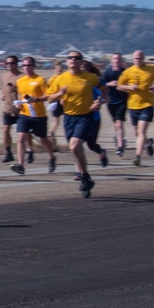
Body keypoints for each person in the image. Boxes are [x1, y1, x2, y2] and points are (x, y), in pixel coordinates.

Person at [47, 50, 105, 198]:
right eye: (70, 57)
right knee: (75, 150)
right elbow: (49, 98)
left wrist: (99, 102)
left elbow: (105, 90)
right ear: (67, 61)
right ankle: (85, 179)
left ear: (81, 62)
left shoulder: (90, 77)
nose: (73, 60)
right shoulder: (60, 79)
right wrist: (59, 94)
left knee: (74, 145)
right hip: (69, 118)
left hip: (86, 116)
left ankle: (84, 177)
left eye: (76, 58)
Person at [117, 50, 154, 166]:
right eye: (135, 58)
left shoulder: (151, 71)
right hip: (133, 105)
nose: (137, 60)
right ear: (132, 59)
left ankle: (137, 156)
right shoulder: (128, 71)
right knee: (137, 133)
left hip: (147, 105)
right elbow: (119, 86)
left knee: (141, 130)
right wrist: (129, 87)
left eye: (139, 58)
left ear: (143, 58)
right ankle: (148, 143)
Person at [10, 57, 57, 175]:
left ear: (34, 66)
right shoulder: (20, 81)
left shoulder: (40, 80)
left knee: (43, 139)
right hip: (24, 114)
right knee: (20, 139)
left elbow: (48, 96)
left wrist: (35, 99)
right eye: (24, 65)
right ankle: (21, 165)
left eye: (29, 65)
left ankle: (51, 156)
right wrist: (19, 104)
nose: (26, 67)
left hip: (38, 115)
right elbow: (21, 95)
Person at [0, 56, 29, 163]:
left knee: (25, 133)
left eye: (11, 63)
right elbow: (4, 88)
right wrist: (3, 95)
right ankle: (8, 152)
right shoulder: (4, 76)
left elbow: (25, 91)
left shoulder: (22, 76)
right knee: (5, 130)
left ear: (16, 64)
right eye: (7, 63)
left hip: (20, 109)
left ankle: (29, 150)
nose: (9, 65)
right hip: (8, 108)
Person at [102, 52, 128, 156]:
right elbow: (101, 84)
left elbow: (130, 83)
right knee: (116, 124)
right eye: (115, 59)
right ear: (111, 60)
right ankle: (120, 139)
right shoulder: (107, 73)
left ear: (121, 61)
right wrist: (110, 84)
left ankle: (120, 146)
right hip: (111, 101)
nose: (116, 60)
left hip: (122, 101)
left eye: (118, 59)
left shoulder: (125, 72)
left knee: (119, 123)